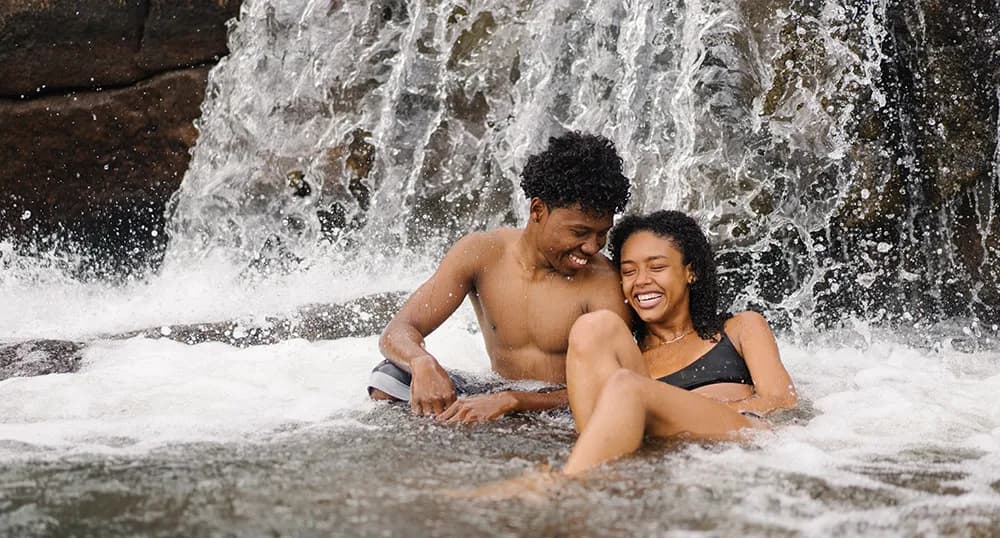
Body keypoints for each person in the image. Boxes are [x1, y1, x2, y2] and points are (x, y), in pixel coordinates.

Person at [368, 131, 633, 424]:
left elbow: (612, 386)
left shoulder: (603, 283)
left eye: (601, 234)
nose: (592, 247)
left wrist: (514, 402)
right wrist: (421, 362)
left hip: (563, 405)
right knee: (388, 378)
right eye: (580, 232)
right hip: (498, 389)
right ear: (537, 210)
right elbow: (399, 330)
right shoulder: (482, 254)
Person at [560, 210, 797, 474]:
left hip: (741, 433)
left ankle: (565, 483)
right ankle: (590, 475)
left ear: (690, 272)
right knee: (591, 327)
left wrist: (690, 407)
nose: (641, 281)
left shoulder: (740, 328)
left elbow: (783, 401)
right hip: (665, 452)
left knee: (627, 386)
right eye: (629, 272)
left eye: (657, 267)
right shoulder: (630, 357)